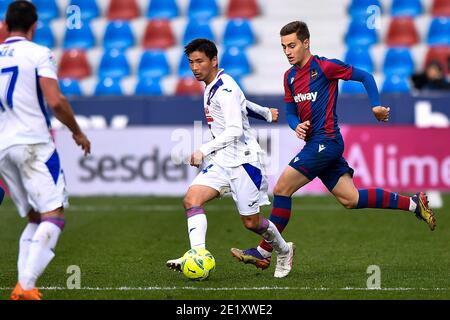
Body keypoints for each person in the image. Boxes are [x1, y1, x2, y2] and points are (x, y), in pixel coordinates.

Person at [231, 21, 436, 270]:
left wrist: (375, 106)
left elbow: (365, 76)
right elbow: (290, 111)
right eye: (284, 47)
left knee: (282, 188)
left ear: (306, 43)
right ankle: (415, 203)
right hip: (317, 144)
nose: (287, 51)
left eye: (292, 45)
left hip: (326, 141)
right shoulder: (290, 77)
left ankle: (264, 252)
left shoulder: (325, 66)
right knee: (351, 199)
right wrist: (295, 125)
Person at [166, 38, 295, 278]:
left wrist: (204, 149)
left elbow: (235, 129)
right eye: (191, 62)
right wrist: (266, 113)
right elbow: (242, 104)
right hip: (222, 161)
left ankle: (285, 251)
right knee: (192, 200)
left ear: (214, 60)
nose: (195, 67)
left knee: (252, 223)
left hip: (244, 163)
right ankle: (197, 254)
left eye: (200, 61)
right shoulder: (213, 85)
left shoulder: (225, 88)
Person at [0, 1, 91, 300]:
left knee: (35, 218)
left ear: (5, 25)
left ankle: (23, 286)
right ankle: (25, 285)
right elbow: (55, 101)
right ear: (34, 26)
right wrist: (77, 131)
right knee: (54, 215)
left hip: (3, 147)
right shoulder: (39, 53)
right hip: (33, 143)